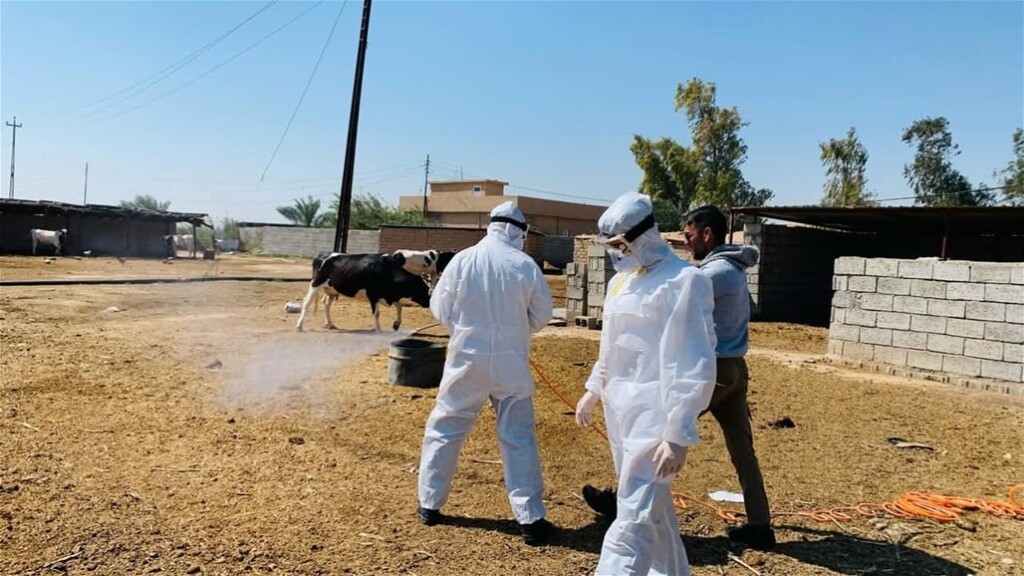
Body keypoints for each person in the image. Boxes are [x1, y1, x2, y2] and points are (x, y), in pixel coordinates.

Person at [582, 204, 776, 551]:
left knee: (656, 435)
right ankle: (760, 523)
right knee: (742, 450)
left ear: (707, 234)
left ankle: (624, 501)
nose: (685, 242)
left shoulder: (706, 275)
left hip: (709, 372)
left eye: (689, 235)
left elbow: (671, 302)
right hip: (734, 369)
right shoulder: (733, 268)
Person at [574, 192, 718, 575]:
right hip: (621, 414)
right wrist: (594, 388)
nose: (616, 254)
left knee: (632, 523)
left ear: (644, 236)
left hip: (656, 419)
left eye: (620, 246)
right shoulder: (621, 284)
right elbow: (611, 347)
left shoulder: (684, 281)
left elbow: (694, 361)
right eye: (610, 247)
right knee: (651, 511)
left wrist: (678, 431)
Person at [416, 201, 555, 546]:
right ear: (516, 231)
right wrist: (514, 327)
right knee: (518, 436)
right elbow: (541, 316)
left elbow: (440, 309)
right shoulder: (525, 265)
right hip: (511, 365)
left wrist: (467, 329)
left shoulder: (462, 261)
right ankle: (530, 518)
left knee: (446, 427)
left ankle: (429, 503)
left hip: (466, 361)